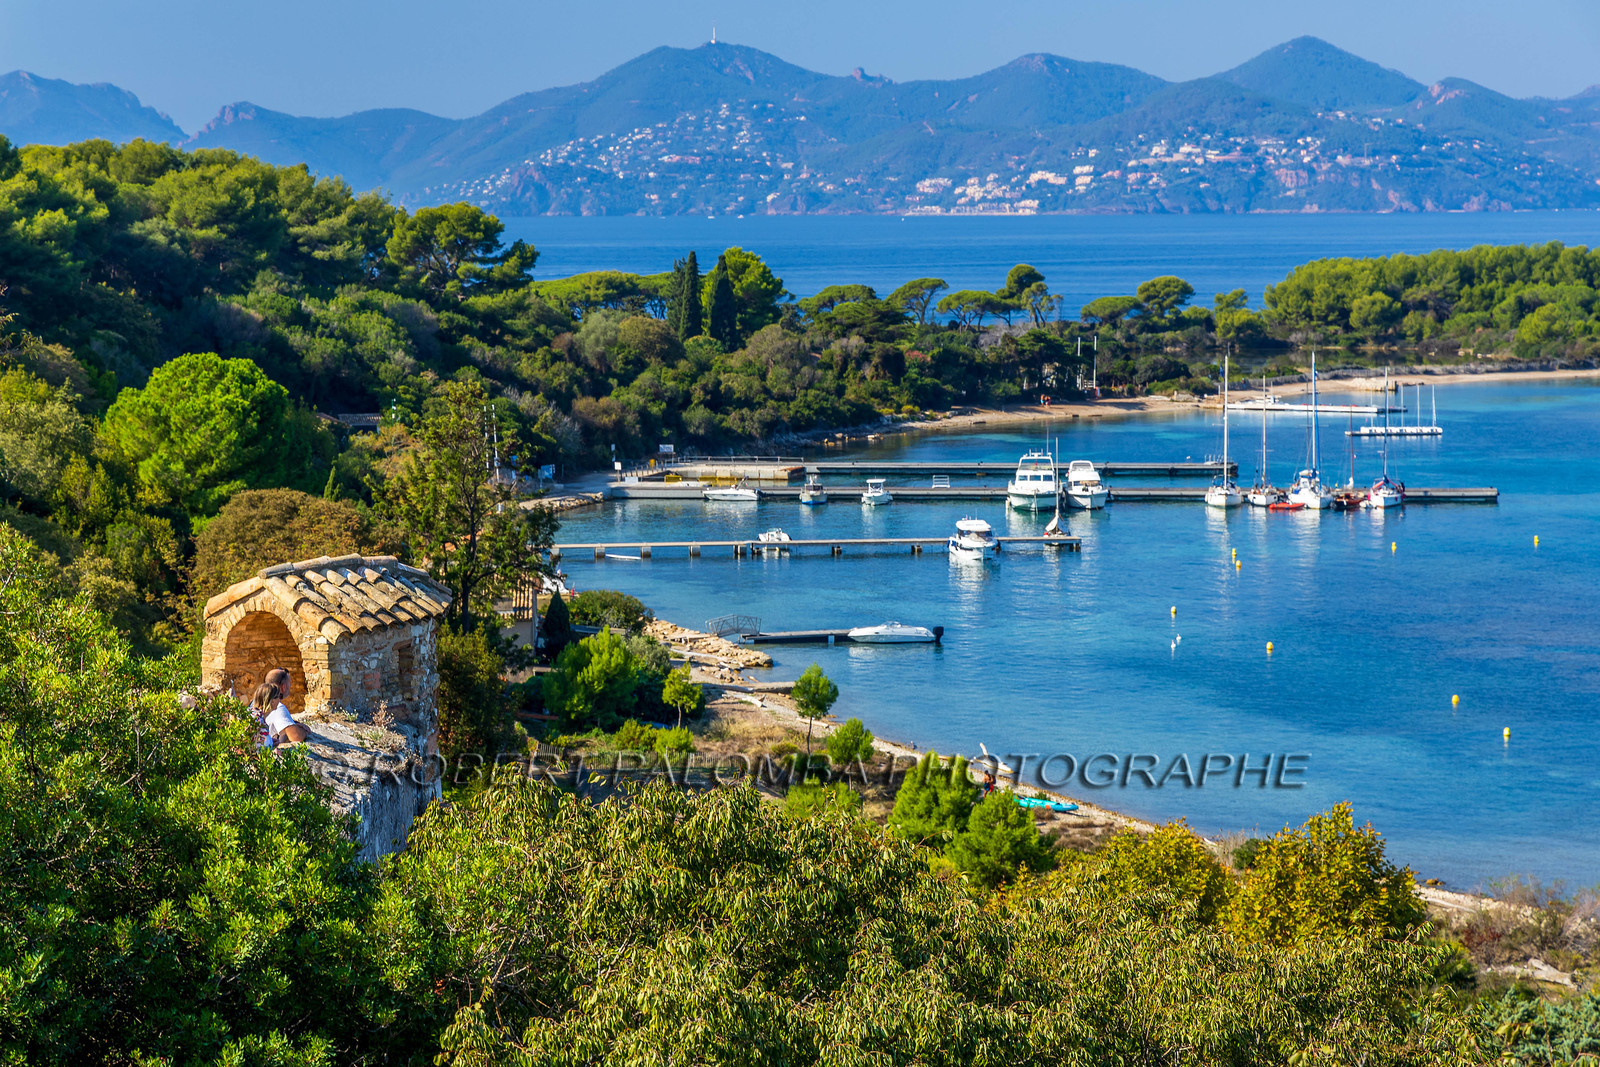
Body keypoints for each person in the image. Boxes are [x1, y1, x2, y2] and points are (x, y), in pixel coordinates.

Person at [263, 668, 311, 747]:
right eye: (289, 683)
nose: (291, 686)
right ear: (283, 687)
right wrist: (305, 731)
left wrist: (295, 723)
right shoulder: (277, 707)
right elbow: (295, 736)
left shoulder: (257, 701)